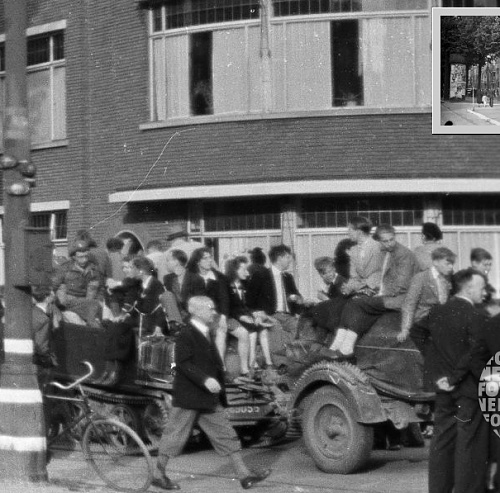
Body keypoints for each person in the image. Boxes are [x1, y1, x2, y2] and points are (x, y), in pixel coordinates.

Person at [153, 296, 271, 491]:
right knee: (174, 437)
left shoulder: (206, 331)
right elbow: (183, 363)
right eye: (210, 308)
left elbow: (211, 363)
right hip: (190, 397)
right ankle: (158, 475)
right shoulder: (186, 334)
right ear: (196, 312)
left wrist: (222, 378)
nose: (214, 312)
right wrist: (205, 379)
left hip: (207, 398)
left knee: (226, 434)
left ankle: (245, 476)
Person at [426, 268, 489, 493]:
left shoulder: (437, 311)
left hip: (443, 386)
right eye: (482, 288)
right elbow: (475, 351)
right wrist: (455, 376)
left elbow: (417, 333)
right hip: (468, 388)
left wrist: (438, 372)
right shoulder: (475, 315)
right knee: (469, 446)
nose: (484, 293)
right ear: (469, 287)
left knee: (442, 441)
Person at [323, 224, 418, 361]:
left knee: (358, 303)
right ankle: (338, 345)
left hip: (400, 297)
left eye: (391, 239)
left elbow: (401, 286)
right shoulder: (385, 252)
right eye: (385, 241)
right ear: (379, 241)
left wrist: (379, 292)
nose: (389, 243)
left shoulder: (403, 255)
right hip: (387, 294)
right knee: (354, 302)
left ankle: (347, 347)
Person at [182, 247, 250, 378]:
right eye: (205, 258)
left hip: (219, 315)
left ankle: (244, 369)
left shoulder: (219, 277)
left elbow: (225, 299)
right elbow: (186, 299)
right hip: (199, 316)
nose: (209, 260)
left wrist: (224, 317)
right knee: (220, 331)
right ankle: (220, 369)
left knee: (243, 333)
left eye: (210, 257)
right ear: (198, 261)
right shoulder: (191, 276)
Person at [398, 247, 456, 352]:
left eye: (452, 264)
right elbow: (409, 304)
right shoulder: (421, 278)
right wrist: (405, 329)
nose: (451, 267)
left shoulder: (449, 277)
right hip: (423, 320)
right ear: (435, 262)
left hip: (441, 320)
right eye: (447, 264)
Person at [226, 256, 274, 372]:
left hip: (244, 314)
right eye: (243, 269)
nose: (247, 273)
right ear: (235, 270)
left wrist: (254, 315)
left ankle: (268, 363)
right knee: (252, 332)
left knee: (262, 330)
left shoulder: (245, 284)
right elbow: (229, 307)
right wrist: (242, 317)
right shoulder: (227, 285)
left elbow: (248, 305)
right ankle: (252, 363)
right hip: (233, 316)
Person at [52, 240, 103, 328]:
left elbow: (99, 289)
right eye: (80, 257)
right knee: (92, 305)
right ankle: (93, 325)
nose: (84, 260)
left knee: (95, 305)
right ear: (74, 257)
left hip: (86, 301)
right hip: (69, 301)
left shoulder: (93, 269)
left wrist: (99, 300)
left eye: (86, 256)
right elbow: (54, 285)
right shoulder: (65, 268)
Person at [341, 216, 385, 298]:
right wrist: (348, 287)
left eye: (350, 229)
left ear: (359, 231)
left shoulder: (378, 247)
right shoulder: (353, 250)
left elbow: (379, 274)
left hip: (378, 292)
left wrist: (355, 286)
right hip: (362, 292)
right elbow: (353, 276)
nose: (348, 233)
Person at [127, 256, 169, 337]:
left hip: (151, 325)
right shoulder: (139, 284)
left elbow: (161, 308)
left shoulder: (156, 285)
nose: (130, 270)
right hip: (142, 321)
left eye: (132, 268)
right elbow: (136, 306)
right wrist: (125, 315)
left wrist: (158, 327)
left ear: (141, 271)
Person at [162, 249, 189, 323]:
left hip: (192, 314)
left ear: (176, 262)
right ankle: (177, 325)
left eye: (168, 260)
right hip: (177, 314)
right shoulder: (167, 279)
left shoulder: (194, 278)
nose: (166, 263)